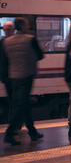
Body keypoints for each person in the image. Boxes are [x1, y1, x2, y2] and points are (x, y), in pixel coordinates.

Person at [3, 17, 44, 145]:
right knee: (21, 105)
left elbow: (5, 60)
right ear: (23, 26)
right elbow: (40, 55)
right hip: (27, 75)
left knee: (24, 104)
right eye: (27, 24)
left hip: (13, 77)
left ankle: (32, 132)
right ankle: (9, 134)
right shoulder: (30, 40)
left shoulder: (6, 42)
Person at [0, 21, 15, 123]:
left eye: (9, 29)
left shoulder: (5, 42)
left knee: (15, 101)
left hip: (14, 76)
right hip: (9, 76)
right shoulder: (2, 42)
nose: (7, 31)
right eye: (6, 29)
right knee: (15, 102)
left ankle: (13, 125)